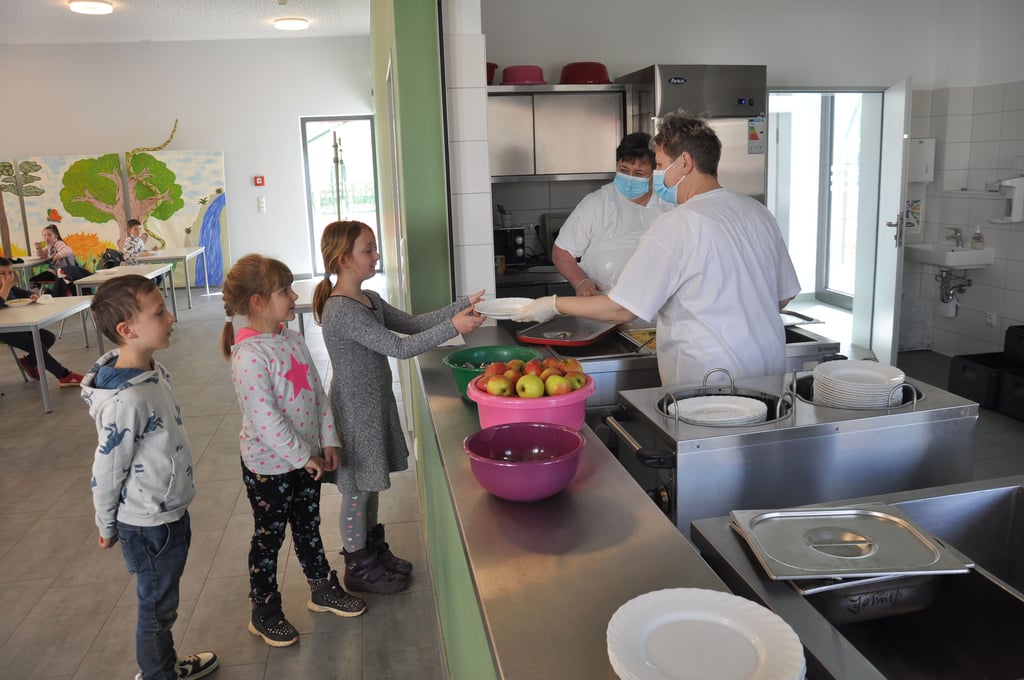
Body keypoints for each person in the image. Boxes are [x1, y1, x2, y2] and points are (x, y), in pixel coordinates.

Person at [514, 111, 801, 387]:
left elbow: (620, 309)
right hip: (768, 372)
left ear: (685, 163)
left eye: (660, 165)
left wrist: (551, 304)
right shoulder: (757, 211)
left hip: (709, 379)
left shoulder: (677, 223)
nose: (657, 175)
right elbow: (783, 296)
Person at [312, 220, 484, 594]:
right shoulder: (341, 310)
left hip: (374, 406)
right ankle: (357, 564)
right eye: (368, 249)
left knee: (369, 486)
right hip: (356, 412)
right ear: (343, 259)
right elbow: (400, 347)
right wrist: (453, 327)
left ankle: (371, 550)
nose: (376, 255)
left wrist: (461, 305)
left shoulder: (368, 298)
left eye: (375, 247)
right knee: (358, 490)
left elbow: (411, 323)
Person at [221, 254, 367, 648]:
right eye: (284, 290)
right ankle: (264, 610)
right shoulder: (250, 357)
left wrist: (329, 440)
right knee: (269, 539)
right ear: (257, 302)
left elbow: (318, 395)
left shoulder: (291, 338)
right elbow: (266, 422)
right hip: (270, 468)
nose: (293, 295)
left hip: (308, 460)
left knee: (307, 526)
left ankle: (322, 589)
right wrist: (306, 457)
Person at [82, 275, 218, 680]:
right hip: (148, 525)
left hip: (167, 512)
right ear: (128, 330)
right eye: (159, 312)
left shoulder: (152, 371)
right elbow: (106, 471)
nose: (172, 316)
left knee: (163, 602)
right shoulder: (127, 399)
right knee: (157, 608)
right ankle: (158, 674)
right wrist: (105, 523)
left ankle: (163, 665)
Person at [552, 132, 674, 296]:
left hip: (655, 314)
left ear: (654, 173)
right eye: (624, 170)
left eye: (638, 173)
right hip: (601, 311)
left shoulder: (670, 206)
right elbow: (562, 253)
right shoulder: (597, 203)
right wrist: (580, 281)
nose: (630, 178)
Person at [0, 256, 85, 386]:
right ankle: (63, 375)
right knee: (36, 345)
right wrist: (5, 287)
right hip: (4, 330)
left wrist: (30, 295)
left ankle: (29, 362)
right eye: (2, 273)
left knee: (48, 338)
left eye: (10, 272)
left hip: (15, 323)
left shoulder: (8, 286)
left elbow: (20, 292)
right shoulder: (5, 287)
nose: (7, 276)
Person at [29, 224, 79, 292]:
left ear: (55, 236)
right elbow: (42, 255)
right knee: (32, 281)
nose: (46, 237)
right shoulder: (49, 246)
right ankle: (48, 293)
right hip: (53, 272)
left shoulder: (58, 243)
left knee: (32, 281)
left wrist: (59, 254)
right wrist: (38, 249)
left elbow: (68, 250)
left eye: (49, 235)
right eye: (44, 235)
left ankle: (49, 293)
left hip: (62, 273)